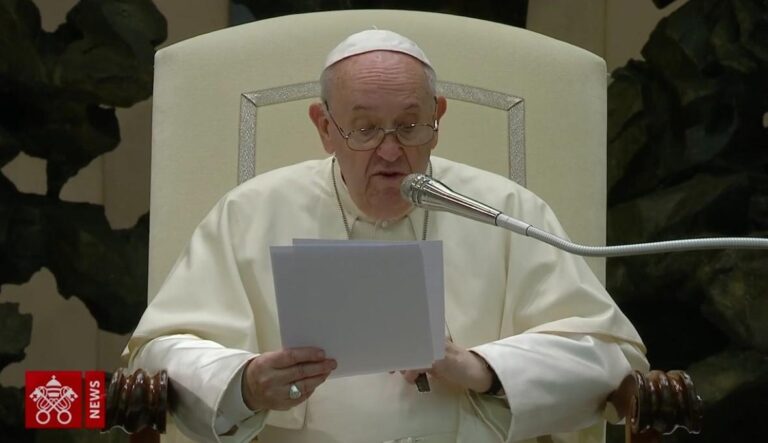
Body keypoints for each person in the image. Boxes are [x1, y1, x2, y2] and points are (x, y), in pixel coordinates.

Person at [123, 29, 648, 443]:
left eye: (410, 125)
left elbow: (606, 357)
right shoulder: (250, 213)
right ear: (324, 127)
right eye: (365, 128)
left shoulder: (506, 210)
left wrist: (482, 369)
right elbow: (158, 354)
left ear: (438, 119)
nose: (391, 151)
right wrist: (245, 383)